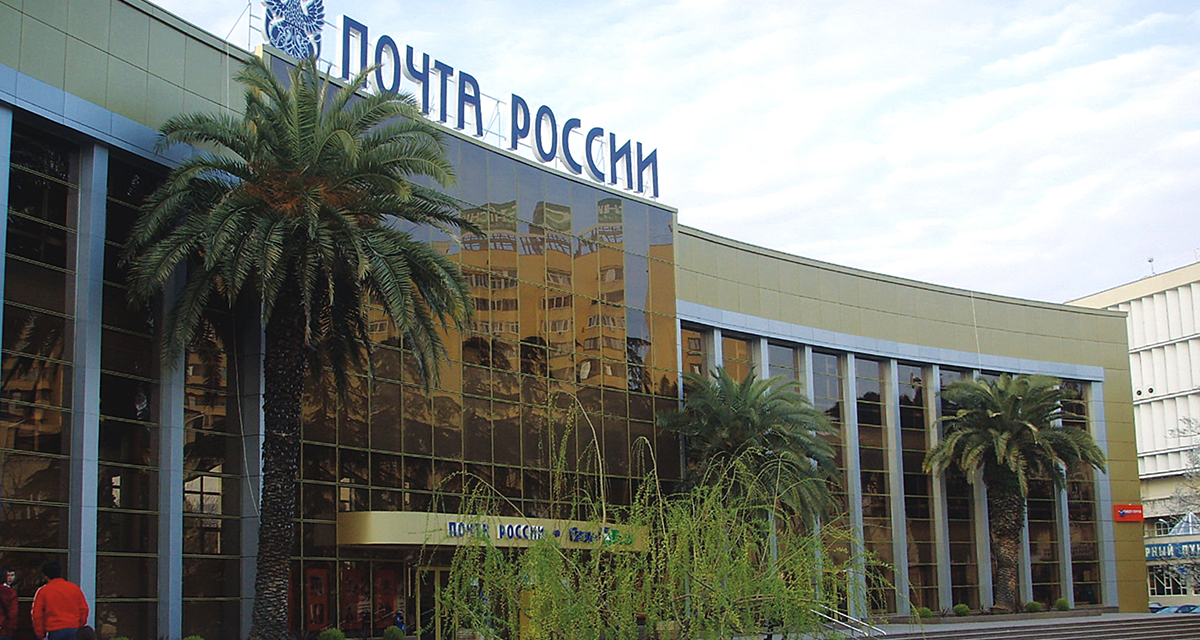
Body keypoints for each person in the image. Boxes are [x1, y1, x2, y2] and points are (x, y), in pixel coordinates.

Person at [31, 562, 88, 640]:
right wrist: (79, 625)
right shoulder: (74, 588)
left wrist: (40, 633)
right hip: (73, 628)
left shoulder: (43, 591)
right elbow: (84, 609)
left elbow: (37, 614)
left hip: (54, 629)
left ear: (45, 576)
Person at [0, 566, 17, 640]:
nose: (10, 578)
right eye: (8, 575)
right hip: (5, 628)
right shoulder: (10, 592)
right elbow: (13, 613)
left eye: (12, 575)